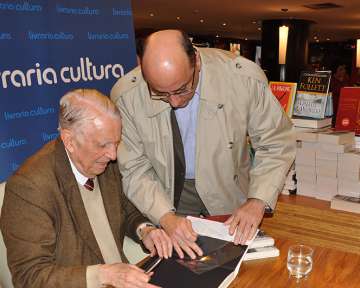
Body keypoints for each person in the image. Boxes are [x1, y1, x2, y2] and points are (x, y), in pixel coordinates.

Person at [111, 29, 295, 260]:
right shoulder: (128, 96)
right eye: (161, 93)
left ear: (196, 61)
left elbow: (276, 141)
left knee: (234, 273)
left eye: (181, 89)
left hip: (229, 193)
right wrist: (165, 217)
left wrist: (258, 199)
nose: (175, 102)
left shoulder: (242, 79)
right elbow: (135, 168)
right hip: (163, 195)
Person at [0, 89, 172, 288]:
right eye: (103, 145)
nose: (113, 155)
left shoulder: (100, 161)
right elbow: (30, 280)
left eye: (116, 143)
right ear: (69, 141)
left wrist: (145, 230)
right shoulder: (30, 187)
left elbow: (124, 208)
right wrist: (104, 275)